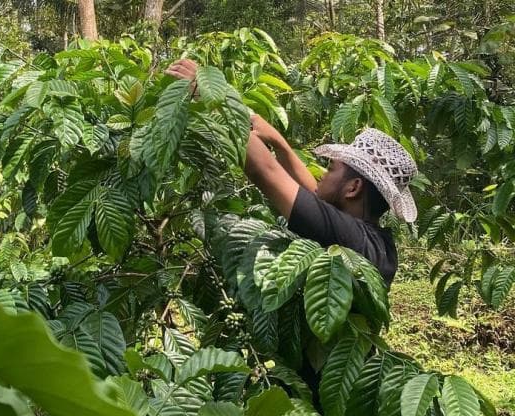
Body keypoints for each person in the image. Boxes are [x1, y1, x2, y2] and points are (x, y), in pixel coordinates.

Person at [166, 59, 418, 287]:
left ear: (353, 188)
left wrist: (212, 93)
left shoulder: (350, 238)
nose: (321, 174)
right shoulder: (376, 243)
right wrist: (280, 143)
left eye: (330, 169)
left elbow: (263, 170)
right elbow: (315, 195)